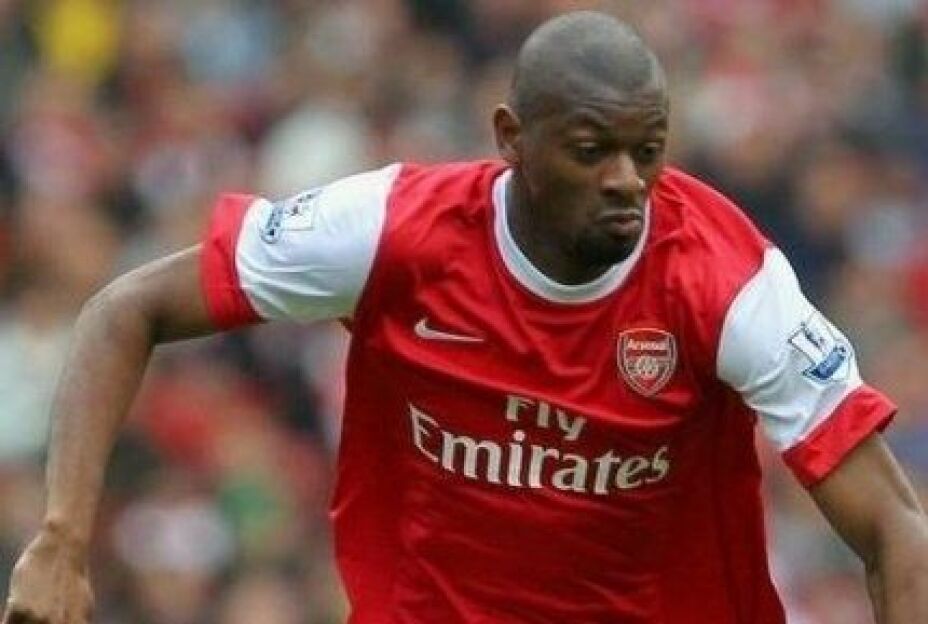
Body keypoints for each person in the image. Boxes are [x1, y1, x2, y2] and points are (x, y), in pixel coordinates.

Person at [3, 10, 928, 624]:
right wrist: (62, 540)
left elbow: (894, 527)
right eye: (591, 150)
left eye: (647, 151)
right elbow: (125, 309)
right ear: (511, 138)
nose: (627, 181)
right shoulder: (392, 232)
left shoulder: (728, 284)